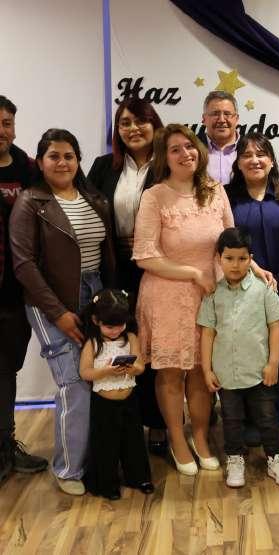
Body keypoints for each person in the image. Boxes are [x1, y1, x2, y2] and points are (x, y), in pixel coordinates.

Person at [10, 128, 116, 495]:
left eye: (69, 156)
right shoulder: (30, 202)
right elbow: (24, 265)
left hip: (95, 295)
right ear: (40, 162)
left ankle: (96, 459)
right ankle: (69, 469)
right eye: (53, 156)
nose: (62, 162)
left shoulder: (94, 198)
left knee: (98, 378)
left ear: (78, 160)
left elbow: (105, 254)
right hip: (49, 300)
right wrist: (57, 313)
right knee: (74, 382)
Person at [132, 124, 233, 476]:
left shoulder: (215, 190)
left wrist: (256, 269)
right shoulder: (154, 196)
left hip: (209, 297)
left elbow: (230, 243)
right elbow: (144, 255)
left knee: (202, 372)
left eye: (189, 146)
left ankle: (201, 437)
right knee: (172, 373)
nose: (185, 153)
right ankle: (177, 439)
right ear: (165, 157)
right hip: (166, 296)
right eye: (175, 149)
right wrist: (191, 273)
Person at [87, 97, 168, 455]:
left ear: (154, 124)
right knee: (120, 342)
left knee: (152, 346)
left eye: (140, 121)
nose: (133, 128)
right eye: (125, 123)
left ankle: (158, 422)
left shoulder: (168, 164)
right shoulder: (103, 166)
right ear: (117, 131)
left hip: (158, 267)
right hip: (116, 268)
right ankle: (124, 422)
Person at [225, 133, 279, 438]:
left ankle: (273, 420)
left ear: (271, 160)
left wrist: (278, 280)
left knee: (277, 356)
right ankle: (246, 422)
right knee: (242, 356)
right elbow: (221, 243)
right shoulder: (226, 198)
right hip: (236, 295)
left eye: (261, 154)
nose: (254, 160)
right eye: (246, 155)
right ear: (237, 163)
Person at [199, 227, 279, 488]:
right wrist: (206, 370)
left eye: (242, 258)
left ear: (250, 258)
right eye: (229, 258)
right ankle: (235, 458)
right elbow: (207, 333)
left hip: (259, 372)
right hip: (227, 375)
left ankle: (275, 458)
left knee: (268, 418)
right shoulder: (213, 294)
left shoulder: (263, 289)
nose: (235, 265)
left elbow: (276, 326)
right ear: (219, 258)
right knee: (231, 420)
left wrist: (273, 363)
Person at [0, 95, 47, 481]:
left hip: (16, 294)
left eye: (6, 123)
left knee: (6, 370)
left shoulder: (29, 169)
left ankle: (5, 445)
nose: (1, 130)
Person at [79, 289, 153, 500]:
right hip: (103, 403)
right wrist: (106, 371)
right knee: (105, 444)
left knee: (133, 441)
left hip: (129, 400)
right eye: (109, 326)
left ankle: (139, 477)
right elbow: (85, 372)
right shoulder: (93, 343)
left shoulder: (130, 337)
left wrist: (132, 368)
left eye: (120, 325)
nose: (115, 331)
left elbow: (140, 366)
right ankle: (106, 483)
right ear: (96, 321)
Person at [201, 91, 240, 184]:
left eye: (227, 114)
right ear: (204, 119)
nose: (222, 120)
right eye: (215, 114)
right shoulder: (192, 149)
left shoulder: (249, 148)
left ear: (236, 119)